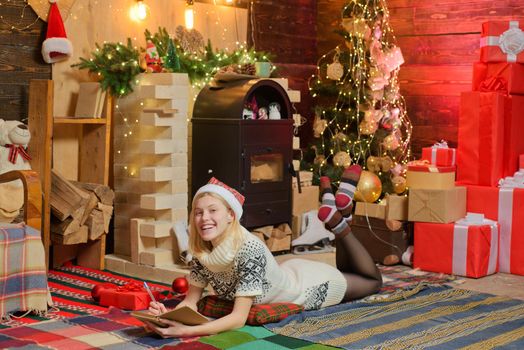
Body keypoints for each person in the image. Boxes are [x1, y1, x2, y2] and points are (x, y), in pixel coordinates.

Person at [145, 166, 382, 338]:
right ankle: (340, 217)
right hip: (288, 274)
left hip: (306, 288)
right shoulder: (201, 251)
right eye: (198, 212)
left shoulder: (248, 249)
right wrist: (166, 316)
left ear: (230, 215)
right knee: (351, 272)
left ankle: (340, 224)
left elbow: (237, 319)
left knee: (373, 282)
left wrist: (187, 331)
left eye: (212, 211)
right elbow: (190, 301)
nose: (204, 218)